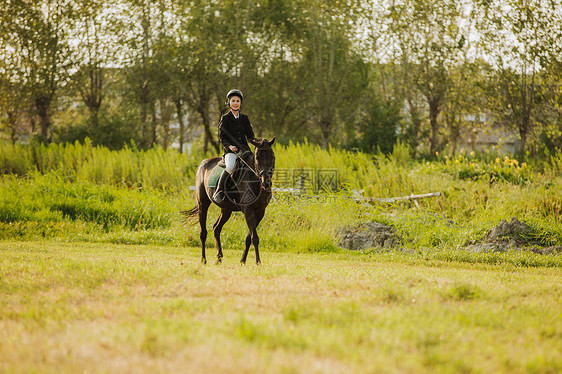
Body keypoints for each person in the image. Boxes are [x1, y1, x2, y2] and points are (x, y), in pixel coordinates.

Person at [213, 89, 256, 204]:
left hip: (245, 150)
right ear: (229, 102)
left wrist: (256, 142)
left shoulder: (245, 118)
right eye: (233, 101)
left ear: (241, 103)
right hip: (231, 151)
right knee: (231, 166)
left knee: (255, 165)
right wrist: (229, 146)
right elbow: (222, 137)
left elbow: (250, 135)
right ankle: (219, 191)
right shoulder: (225, 118)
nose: (236, 103)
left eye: (238, 101)